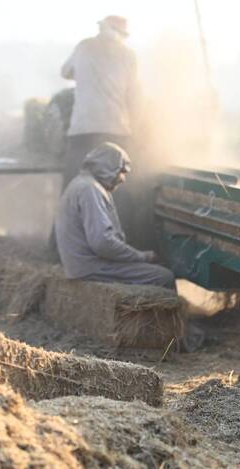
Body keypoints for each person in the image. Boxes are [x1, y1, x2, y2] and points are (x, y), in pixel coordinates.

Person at [60, 16, 155, 249]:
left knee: (73, 187)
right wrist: (139, 131)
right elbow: (135, 96)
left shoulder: (84, 46)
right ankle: (119, 245)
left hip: (82, 130)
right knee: (117, 192)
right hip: (116, 131)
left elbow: (65, 72)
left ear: (102, 28)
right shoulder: (129, 55)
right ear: (123, 34)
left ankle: (62, 247)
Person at [55, 142, 176, 290]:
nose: (123, 179)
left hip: (80, 265)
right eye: (121, 172)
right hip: (92, 267)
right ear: (107, 167)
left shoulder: (80, 183)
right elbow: (102, 243)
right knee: (164, 276)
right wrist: (142, 257)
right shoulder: (90, 189)